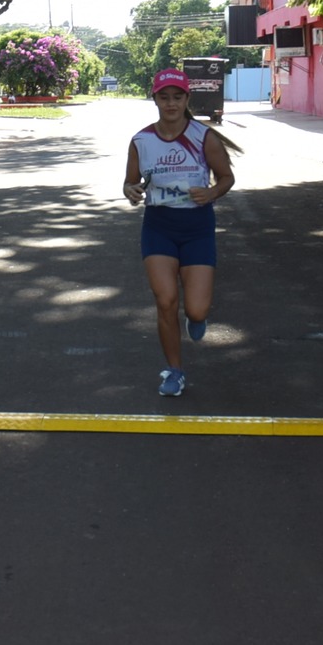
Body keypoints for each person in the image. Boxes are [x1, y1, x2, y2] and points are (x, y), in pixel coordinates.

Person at [123, 69, 236, 398]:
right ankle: (174, 371)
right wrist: (131, 190)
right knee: (166, 301)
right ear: (154, 98)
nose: (170, 103)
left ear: (187, 99)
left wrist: (212, 194)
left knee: (197, 309)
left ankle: (196, 318)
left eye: (177, 97)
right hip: (159, 226)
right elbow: (131, 181)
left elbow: (226, 177)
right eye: (163, 96)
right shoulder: (141, 141)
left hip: (197, 227)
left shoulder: (204, 137)